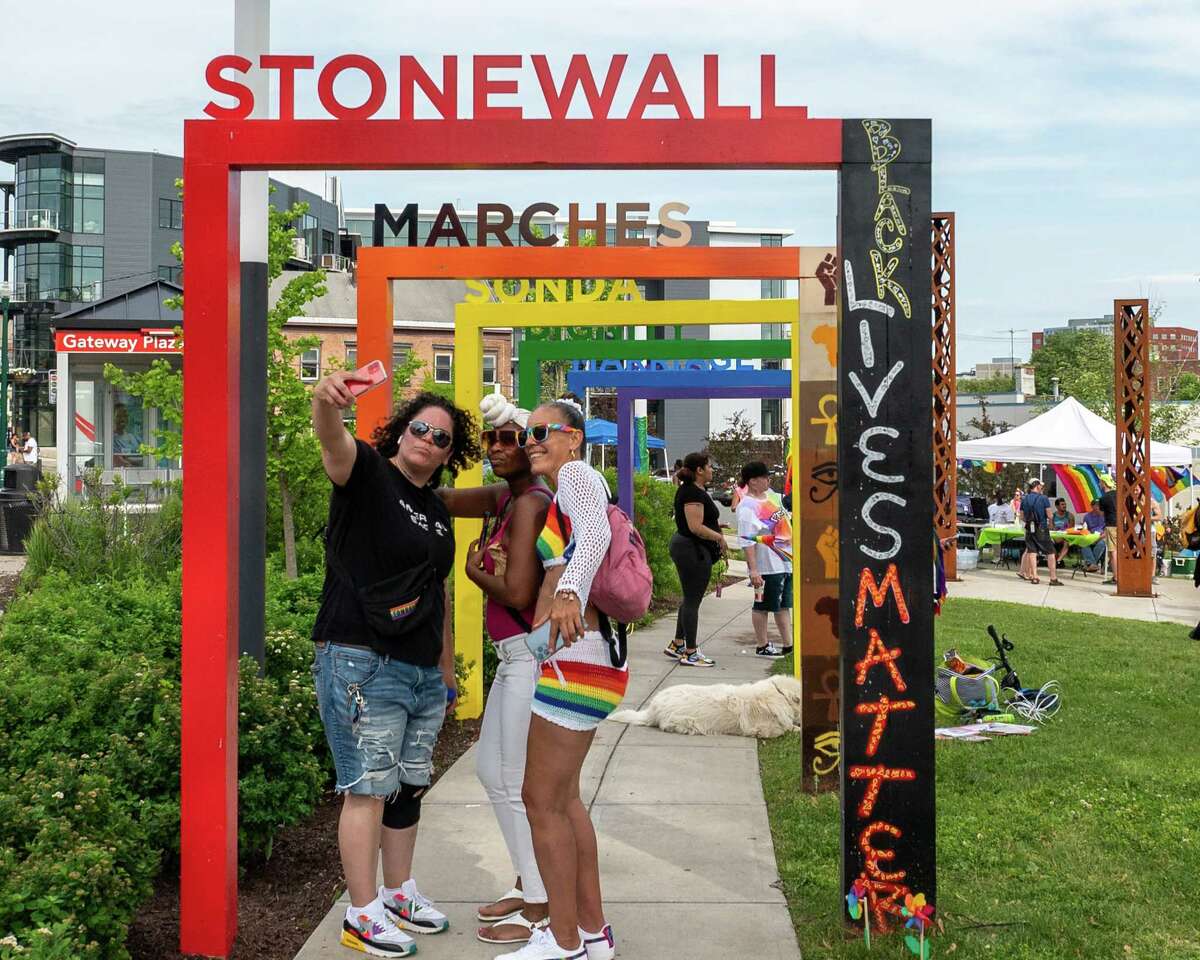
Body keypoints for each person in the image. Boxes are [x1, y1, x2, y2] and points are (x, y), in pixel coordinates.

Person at [311, 375, 481, 958]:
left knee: (408, 786)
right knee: (367, 788)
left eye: (442, 438)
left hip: (419, 673)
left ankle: (398, 893)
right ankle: (361, 915)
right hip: (360, 658)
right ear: (400, 431)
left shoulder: (435, 509)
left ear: (448, 454)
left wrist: (445, 669)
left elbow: (438, 592)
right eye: (421, 428)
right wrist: (326, 404)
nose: (429, 440)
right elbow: (334, 443)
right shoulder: (368, 475)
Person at [498, 398, 625, 960]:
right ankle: (593, 934)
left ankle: (564, 939)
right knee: (565, 800)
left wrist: (569, 591)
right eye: (527, 434)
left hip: (581, 657)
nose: (530, 442)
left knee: (539, 798)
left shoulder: (576, 473)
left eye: (542, 432)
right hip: (585, 657)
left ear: (575, 438)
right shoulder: (570, 478)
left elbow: (594, 536)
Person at [438, 393, 554, 946]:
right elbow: (443, 497)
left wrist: (472, 571)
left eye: (511, 438)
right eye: (491, 439)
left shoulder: (531, 501)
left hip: (528, 659)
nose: (499, 448)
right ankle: (528, 878)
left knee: (513, 783)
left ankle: (540, 903)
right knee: (493, 775)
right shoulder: (506, 498)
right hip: (513, 661)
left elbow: (520, 590)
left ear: (531, 446)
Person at [666, 452, 726, 667]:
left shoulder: (697, 490)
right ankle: (690, 652)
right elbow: (694, 527)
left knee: (689, 597)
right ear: (699, 470)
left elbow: (702, 521)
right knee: (693, 600)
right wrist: (718, 537)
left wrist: (716, 527)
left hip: (692, 548)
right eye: (709, 466)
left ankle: (678, 643)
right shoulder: (692, 492)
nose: (712, 469)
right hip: (692, 550)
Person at [737, 460, 792, 658]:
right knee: (763, 605)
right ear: (752, 481)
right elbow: (747, 540)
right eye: (764, 477)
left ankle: (788, 644)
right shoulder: (747, 507)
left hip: (785, 562)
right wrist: (753, 570)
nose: (768, 480)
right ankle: (762, 644)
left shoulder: (772, 498)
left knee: (783, 605)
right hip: (767, 565)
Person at [1019, 478, 1060, 586]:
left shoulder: (1024, 499)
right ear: (1037, 486)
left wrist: (1030, 521)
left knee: (1032, 552)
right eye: (1040, 486)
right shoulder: (1043, 498)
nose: (1042, 487)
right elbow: (1050, 515)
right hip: (1041, 527)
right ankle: (1053, 578)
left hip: (1029, 528)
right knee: (1050, 552)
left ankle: (1035, 577)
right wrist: (1050, 523)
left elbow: (1022, 516)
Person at [1079, 498, 1108, 572]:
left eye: (1100, 505)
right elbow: (1085, 529)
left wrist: (1098, 538)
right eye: (1097, 505)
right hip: (1090, 536)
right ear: (1092, 506)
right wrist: (1090, 538)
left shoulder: (1105, 516)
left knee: (1102, 543)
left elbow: (1106, 531)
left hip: (1101, 537)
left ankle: (1091, 564)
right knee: (1082, 543)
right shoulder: (1087, 517)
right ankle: (1094, 564)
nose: (1099, 507)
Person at [1099, 478, 1119, 580]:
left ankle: (1116, 577)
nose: (1099, 484)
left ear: (1104, 483)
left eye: (1100, 482)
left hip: (1111, 525)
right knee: (1119, 551)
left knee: (1113, 551)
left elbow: (1102, 513)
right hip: (1122, 525)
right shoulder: (1118, 494)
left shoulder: (1103, 498)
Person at [1050, 497, 1074, 563]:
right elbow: (1051, 528)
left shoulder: (1070, 516)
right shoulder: (1053, 516)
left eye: (1065, 504)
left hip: (1065, 537)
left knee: (1066, 541)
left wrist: (1062, 535)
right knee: (1048, 541)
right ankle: (1056, 559)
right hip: (1055, 536)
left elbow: (1071, 529)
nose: (1064, 506)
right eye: (1062, 504)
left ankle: (1058, 561)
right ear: (1057, 506)